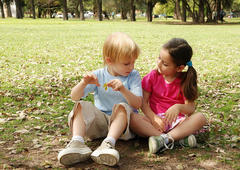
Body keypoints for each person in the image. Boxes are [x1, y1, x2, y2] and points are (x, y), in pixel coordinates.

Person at [58, 32, 142, 166]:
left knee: (122, 106)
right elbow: (74, 97)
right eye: (126, 63)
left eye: (133, 62)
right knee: (80, 105)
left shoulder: (133, 76)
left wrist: (123, 89)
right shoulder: (98, 75)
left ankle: (108, 144)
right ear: (109, 61)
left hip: (122, 126)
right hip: (100, 124)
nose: (131, 67)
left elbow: (137, 104)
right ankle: (77, 143)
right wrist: (84, 83)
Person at [130, 38, 207, 154]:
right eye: (159, 58)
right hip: (155, 123)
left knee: (200, 118)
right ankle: (175, 139)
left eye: (165, 64)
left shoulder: (185, 80)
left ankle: (164, 140)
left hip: (178, 124)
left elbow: (190, 108)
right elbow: (143, 103)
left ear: (179, 68)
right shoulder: (152, 77)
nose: (159, 63)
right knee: (133, 118)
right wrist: (154, 118)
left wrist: (178, 107)